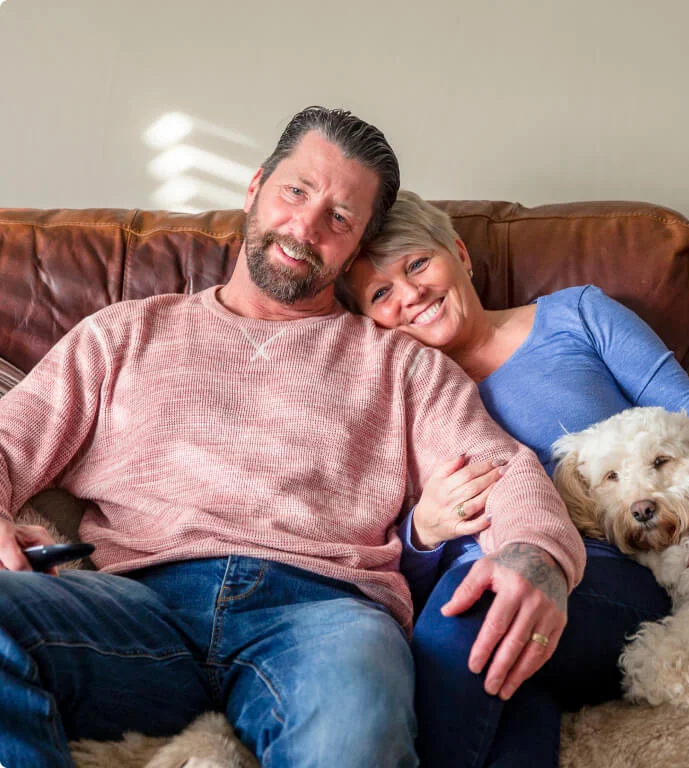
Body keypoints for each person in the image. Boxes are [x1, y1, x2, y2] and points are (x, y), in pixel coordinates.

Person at [0, 109, 587, 768]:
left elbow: (501, 469)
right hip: (135, 608)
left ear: (355, 246)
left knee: (356, 733)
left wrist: (537, 555)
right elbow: (8, 439)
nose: (307, 226)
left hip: (323, 617)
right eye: (297, 191)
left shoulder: (401, 363)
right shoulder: (123, 333)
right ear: (254, 188)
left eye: (340, 219)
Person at [337, 189, 689, 767]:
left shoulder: (576, 314)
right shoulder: (399, 395)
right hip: (474, 583)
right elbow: (382, 553)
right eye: (381, 293)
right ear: (369, 320)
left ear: (459, 253)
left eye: (417, 263)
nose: (410, 294)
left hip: (607, 576)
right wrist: (424, 531)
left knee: (473, 623)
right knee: (512, 699)